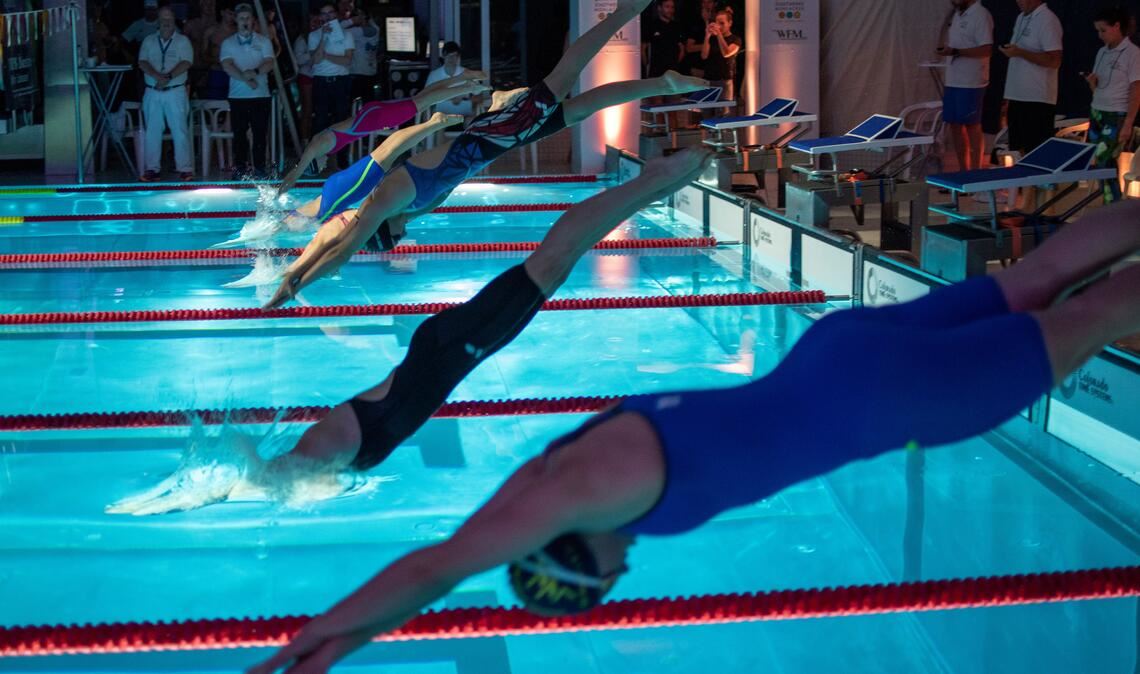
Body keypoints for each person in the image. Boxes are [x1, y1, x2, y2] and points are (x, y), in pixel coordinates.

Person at [246, 184, 1140, 674]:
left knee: (1095, 315)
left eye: (606, 578)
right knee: (1039, 275)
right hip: (837, 355)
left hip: (889, 400)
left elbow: (437, 568)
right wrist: (337, 642)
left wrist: (312, 641)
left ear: (577, 555)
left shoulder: (591, 491)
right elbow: (456, 555)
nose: (625, 571)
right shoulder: (556, 470)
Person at [107, 147, 714, 517]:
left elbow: (255, 471)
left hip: (448, 349)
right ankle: (648, 187)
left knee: (551, 262)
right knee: (553, 264)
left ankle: (649, 182)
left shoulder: (318, 452)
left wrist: (191, 490)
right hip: (446, 352)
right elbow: (258, 471)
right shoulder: (320, 460)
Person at [266, 0, 709, 308]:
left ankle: (627, 18)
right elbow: (338, 244)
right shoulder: (411, 205)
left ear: (386, 229)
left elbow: (343, 248)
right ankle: (659, 80)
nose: (402, 238)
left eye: (393, 238)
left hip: (498, 134)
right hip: (498, 137)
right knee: (579, 104)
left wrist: (294, 282)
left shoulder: (390, 201)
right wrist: (298, 271)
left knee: (567, 79)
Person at [275, 71, 492, 195]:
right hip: (371, 115)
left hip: (375, 118)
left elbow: (294, 174)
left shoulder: (318, 146)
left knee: (425, 100)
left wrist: (279, 191)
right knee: (423, 97)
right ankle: (462, 78)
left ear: (314, 164)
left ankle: (468, 87)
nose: (324, 167)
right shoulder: (324, 147)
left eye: (319, 168)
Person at [999, 0, 1062, 208]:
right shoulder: (1021, 17)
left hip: (1037, 98)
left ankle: (1042, 205)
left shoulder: (1048, 20)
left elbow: (1054, 60)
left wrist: (1021, 52)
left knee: (1038, 154)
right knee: (1018, 151)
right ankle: (1024, 202)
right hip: (1018, 95)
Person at [1085, 6, 1140, 203]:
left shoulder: (1133, 53)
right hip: (1097, 111)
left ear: (1117, 26)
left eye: (1103, 30)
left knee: (1105, 161)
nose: (1100, 35)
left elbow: (1136, 89)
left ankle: (1113, 206)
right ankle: (1109, 204)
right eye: (1097, 31)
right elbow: (1100, 88)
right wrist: (1093, 84)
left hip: (1116, 114)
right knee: (1099, 162)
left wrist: (1128, 123)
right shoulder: (1102, 52)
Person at [137, 6, 195, 182]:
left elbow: (186, 62)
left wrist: (168, 77)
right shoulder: (148, 40)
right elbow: (142, 62)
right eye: (163, 19)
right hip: (153, 90)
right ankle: (152, 169)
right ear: (158, 21)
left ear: (174, 20)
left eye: (169, 19)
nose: (166, 22)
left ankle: (185, 168)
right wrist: (157, 76)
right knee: (152, 131)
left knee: (180, 130)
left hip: (175, 90)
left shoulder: (183, 41)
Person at [220, 3, 275, 180]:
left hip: (261, 95)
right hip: (238, 96)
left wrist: (255, 72)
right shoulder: (228, 43)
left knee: (260, 133)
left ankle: (260, 168)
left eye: (248, 18)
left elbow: (269, 62)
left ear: (253, 21)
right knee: (239, 134)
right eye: (241, 18)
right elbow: (227, 65)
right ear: (236, 20)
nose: (245, 21)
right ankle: (240, 169)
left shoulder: (264, 41)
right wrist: (246, 79)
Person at [938, 0, 994, 173]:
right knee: (955, 125)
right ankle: (963, 169)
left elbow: (986, 49)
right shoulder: (957, 14)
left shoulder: (981, 15)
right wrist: (948, 50)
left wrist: (957, 52)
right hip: (954, 79)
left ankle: (975, 171)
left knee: (971, 124)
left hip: (971, 81)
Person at [309, 3, 356, 171]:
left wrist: (326, 56)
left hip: (340, 81)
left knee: (342, 121)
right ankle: (317, 160)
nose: (327, 17)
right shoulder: (314, 36)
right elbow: (315, 59)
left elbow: (347, 60)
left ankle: (342, 160)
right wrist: (323, 38)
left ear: (336, 14)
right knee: (320, 122)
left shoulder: (347, 34)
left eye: (330, 13)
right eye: (324, 13)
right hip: (321, 81)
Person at [425, 42, 483, 121]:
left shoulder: (467, 73)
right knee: (439, 121)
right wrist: (448, 98)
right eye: (449, 56)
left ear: (458, 57)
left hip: (464, 115)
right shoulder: (434, 75)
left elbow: (479, 96)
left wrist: (466, 99)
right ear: (443, 56)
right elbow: (426, 97)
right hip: (441, 116)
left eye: (454, 56)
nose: (451, 59)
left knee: (470, 121)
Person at [340, 0, 380, 102]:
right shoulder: (375, 28)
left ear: (365, 16)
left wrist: (350, 21)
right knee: (367, 105)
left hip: (358, 74)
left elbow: (337, 31)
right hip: (369, 73)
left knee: (355, 105)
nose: (355, 17)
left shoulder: (358, 31)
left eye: (358, 15)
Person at [701, 7, 741, 102]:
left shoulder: (735, 39)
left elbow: (726, 53)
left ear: (730, 23)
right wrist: (707, 36)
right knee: (706, 109)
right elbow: (704, 55)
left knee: (723, 109)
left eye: (722, 23)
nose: (719, 26)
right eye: (717, 23)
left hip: (724, 80)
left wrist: (718, 34)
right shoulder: (713, 39)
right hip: (709, 79)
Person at [294, 10, 321, 145]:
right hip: (307, 76)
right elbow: (298, 60)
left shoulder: (323, 36)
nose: (316, 24)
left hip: (320, 76)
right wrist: (313, 53)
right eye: (313, 21)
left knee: (320, 110)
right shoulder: (302, 40)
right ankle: (305, 142)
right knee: (307, 110)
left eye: (318, 21)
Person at [642, 0, 685, 79]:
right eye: (667, 7)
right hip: (655, 74)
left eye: (672, 7)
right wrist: (648, 66)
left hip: (672, 74)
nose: (670, 10)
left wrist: (674, 65)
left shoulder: (676, 26)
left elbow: (681, 49)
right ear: (659, 8)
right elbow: (643, 49)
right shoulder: (651, 26)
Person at [202, 5, 237, 100]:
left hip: (235, 74)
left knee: (234, 102)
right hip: (216, 73)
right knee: (215, 103)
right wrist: (218, 60)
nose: (232, 17)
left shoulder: (238, 32)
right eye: (230, 13)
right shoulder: (211, 32)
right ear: (222, 13)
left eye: (234, 15)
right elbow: (203, 55)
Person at [684, 0, 718, 78]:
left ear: (715, 4)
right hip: (698, 67)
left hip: (714, 68)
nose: (706, 5)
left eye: (709, 2)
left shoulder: (718, 21)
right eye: (704, 2)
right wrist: (710, 46)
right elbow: (689, 48)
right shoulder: (696, 22)